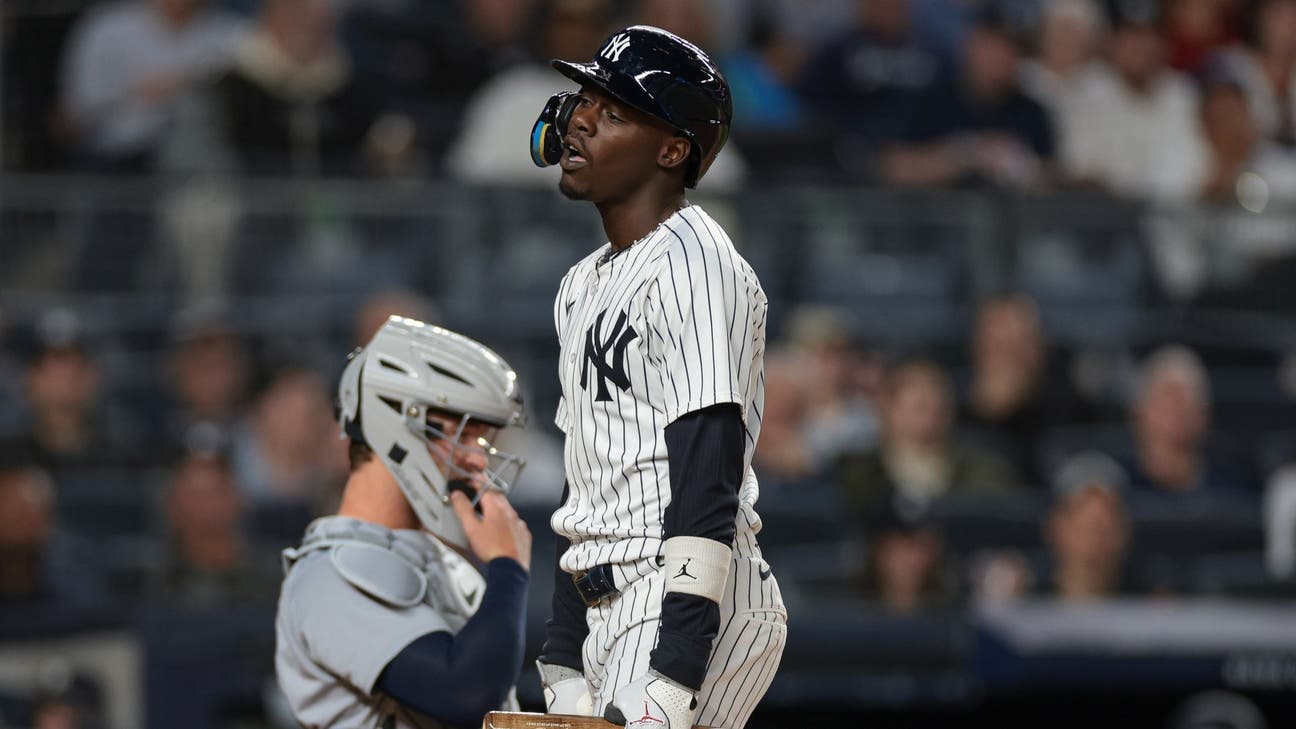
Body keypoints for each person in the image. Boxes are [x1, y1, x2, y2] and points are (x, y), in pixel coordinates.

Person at [528, 25, 787, 729]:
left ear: (673, 150)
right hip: (610, 599)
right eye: (583, 100)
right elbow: (586, 476)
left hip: (684, 598)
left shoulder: (697, 264)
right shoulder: (581, 284)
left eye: (611, 112)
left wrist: (675, 665)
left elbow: (710, 468)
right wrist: (561, 646)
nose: (579, 119)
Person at [274, 316, 532, 728]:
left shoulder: (446, 565)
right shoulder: (327, 576)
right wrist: (509, 569)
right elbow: (464, 693)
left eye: (482, 440)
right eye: (462, 435)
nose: (478, 459)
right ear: (393, 424)